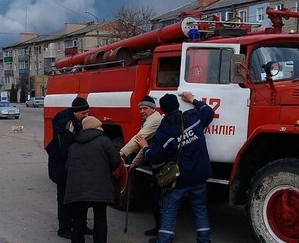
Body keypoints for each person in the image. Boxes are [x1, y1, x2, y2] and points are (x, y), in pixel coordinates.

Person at [135, 92, 214, 243]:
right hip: (199, 175)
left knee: (170, 210)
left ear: (162, 110)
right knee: (200, 209)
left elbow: (154, 157)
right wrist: (193, 100)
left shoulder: (163, 132)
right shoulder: (193, 117)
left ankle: (164, 240)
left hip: (178, 181)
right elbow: (208, 111)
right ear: (178, 106)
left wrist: (145, 147)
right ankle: (204, 240)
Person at [64, 116, 120, 243]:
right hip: (99, 187)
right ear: (95, 127)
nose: (102, 128)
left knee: (78, 219)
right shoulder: (104, 141)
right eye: (100, 126)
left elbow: (67, 166)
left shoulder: (74, 144)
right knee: (100, 218)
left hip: (77, 189)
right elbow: (115, 160)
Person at [45, 96, 91, 239]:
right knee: (65, 198)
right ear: (75, 112)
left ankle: (80, 225)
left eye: (88, 112)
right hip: (62, 168)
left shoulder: (76, 121)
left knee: (79, 198)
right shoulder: (66, 124)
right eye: (84, 113)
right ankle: (64, 228)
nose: (86, 116)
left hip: (71, 167)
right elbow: (65, 150)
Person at [118, 95, 163, 236]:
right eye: (140, 109)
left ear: (153, 108)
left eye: (145, 108)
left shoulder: (154, 120)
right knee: (156, 199)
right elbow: (145, 146)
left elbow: (139, 139)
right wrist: (134, 163)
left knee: (159, 201)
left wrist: (122, 152)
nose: (142, 111)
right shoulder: (150, 120)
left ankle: (162, 232)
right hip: (156, 161)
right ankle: (159, 229)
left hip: (161, 164)